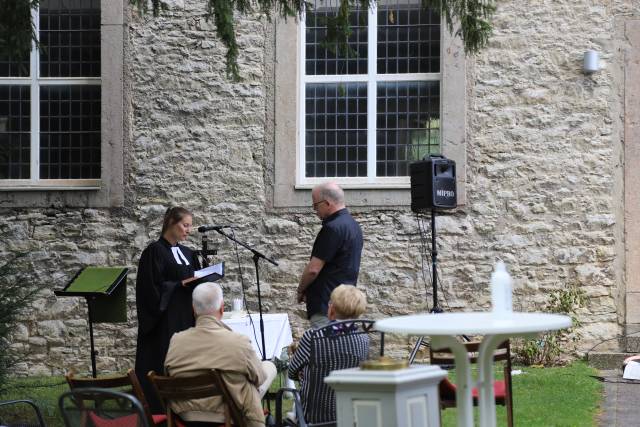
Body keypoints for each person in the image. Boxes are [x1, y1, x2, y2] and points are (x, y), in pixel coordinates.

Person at [164, 282, 277, 427]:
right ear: (222, 308)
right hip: (226, 414)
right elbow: (259, 378)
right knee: (267, 367)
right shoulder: (238, 342)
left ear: (193, 310)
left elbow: (167, 374)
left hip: (184, 415)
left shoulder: (176, 341)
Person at [135, 206, 201, 411]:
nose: (188, 230)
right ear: (171, 222)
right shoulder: (154, 251)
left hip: (186, 317)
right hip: (165, 320)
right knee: (164, 359)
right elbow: (149, 288)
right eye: (185, 225)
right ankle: (160, 408)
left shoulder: (188, 252)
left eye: (190, 226)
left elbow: (196, 277)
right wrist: (177, 284)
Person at [288, 285, 369, 424]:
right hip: (349, 414)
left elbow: (292, 372)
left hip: (314, 416)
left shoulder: (314, 336)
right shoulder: (364, 339)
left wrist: (306, 375)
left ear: (332, 308)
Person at [296, 182, 363, 329]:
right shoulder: (353, 225)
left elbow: (313, 269)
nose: (315, 211)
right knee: (342, 350)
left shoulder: (332, 228)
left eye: (315, 206)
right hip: (345, 304)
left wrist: (301, 289)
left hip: (327, 306)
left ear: (327, 203)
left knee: (325, 350)